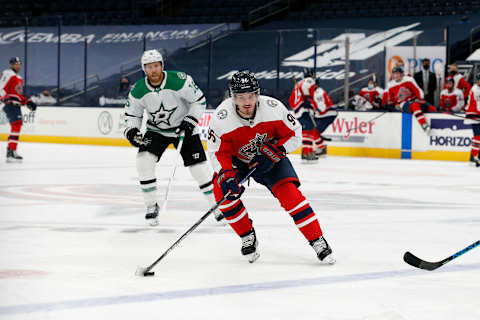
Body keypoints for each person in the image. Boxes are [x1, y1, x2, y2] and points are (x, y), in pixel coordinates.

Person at [207, 70, 335, 264]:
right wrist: (227, 174)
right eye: (241, 97)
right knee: (222, 193)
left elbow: (296, 134)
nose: (247, 102)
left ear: (257, 94)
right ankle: (246, 235)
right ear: (233, 97)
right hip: (238, 162)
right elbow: (218, 152)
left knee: (292, 196)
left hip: (272, 158)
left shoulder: (273, 108)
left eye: (251, 95)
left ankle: (317, 239)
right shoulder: (221, 118)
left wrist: (276, 150)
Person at [123, 49, 224, 225]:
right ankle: (151, 206)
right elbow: (132, 115)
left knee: (199, 169)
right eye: (149, 67)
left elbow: (198, 101)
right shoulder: (138, 90)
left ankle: (217, 206)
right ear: (143, 69)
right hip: (156, 131)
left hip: (184, 128)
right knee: (143, 161)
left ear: (162, 66)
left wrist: (190, 120)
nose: (153, 70)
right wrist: (132, 132)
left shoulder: (179, 80)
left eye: (156, 66)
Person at [0, 57, 36, 163]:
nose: (18, 65)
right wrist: (3, 98)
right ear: (11, 65)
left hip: (16, 105)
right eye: (15, 64)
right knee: (17, 124)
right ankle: (11, 151)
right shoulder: (8, 73)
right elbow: (1, 87)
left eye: (19, 64)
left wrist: (27, 101)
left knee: (17, 125)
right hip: (9, 103)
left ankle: (11, 151)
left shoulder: (19, 77)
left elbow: (18, 94)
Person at [383, 66, 436, 135]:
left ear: (402, 74)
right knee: (415, 105)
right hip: (403, 104)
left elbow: (417, 90)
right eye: (394, 74)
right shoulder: (390, 85)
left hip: (414, 100)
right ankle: (424, 126)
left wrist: (420, 99)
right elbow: (391, 100)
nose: (395, 75)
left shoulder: (408, 80)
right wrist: (394, 104)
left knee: (431, 108)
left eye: (397, 73)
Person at [288, 69, 318, 162]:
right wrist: (309, 102)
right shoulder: (309, 81)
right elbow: (311, 92)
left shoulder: (298, 83)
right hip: (305, 110)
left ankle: (308, 151)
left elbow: (291, 100)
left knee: (308, 131)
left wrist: (298, 107)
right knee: (308, 132)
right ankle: (306, 153)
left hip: (300, 110)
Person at [310, 85, 338, 157]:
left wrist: (314, 112)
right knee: (312, 131)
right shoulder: (315, 92)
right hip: (322, 115)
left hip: (327, 115)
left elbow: (322, 109)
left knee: (314, 132)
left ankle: (322, 148)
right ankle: (321, 147)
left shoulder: (318, 93)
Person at [464, 74, 480, 167]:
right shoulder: (475, 90)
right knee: (478, 137)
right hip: (474, 115)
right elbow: (477, 106)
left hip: (476, 115)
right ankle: (472, 156)